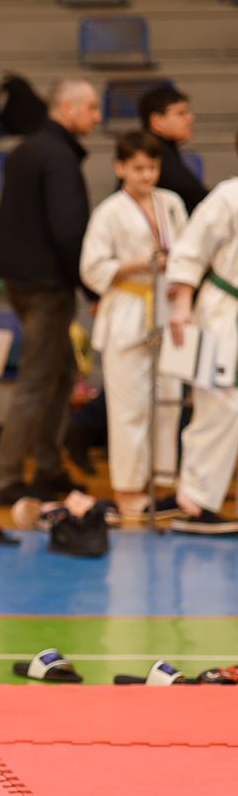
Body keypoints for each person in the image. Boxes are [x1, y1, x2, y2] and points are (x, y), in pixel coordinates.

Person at [0, 78, 100, 505]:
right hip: (47, 285)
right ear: (67, 108)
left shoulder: (28, 149)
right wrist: (90, 287)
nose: (97, 116)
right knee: (37, 381)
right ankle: (6, 479)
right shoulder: (59, 156)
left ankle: (49, 468)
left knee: (63, 372)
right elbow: (68, 230)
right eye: (91, 107)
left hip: (22, 281)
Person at [79, 130, 187, 520]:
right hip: (127, 307)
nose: (147, 175)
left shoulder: (171, 203)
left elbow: (188, 253)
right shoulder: (109, 212)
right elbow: (91, 269)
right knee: (130, 409)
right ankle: (128, 491)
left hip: (167, 310)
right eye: (139, 168)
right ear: (120, 167)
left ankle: (162, 486)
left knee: (169, 402)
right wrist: (142, 263)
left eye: (153, 167)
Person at [164, 134, 238, 535]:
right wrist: (182, 306)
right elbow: (189, 252)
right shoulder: (228, 196)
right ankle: (195, 502)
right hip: (224, 312)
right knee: (218, 404)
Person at [139, 85, 207, 215]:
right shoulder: (153, 153)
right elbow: (198, 197)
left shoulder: (163, 149)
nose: (190, 118)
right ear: (157, 121)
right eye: (181, 113)